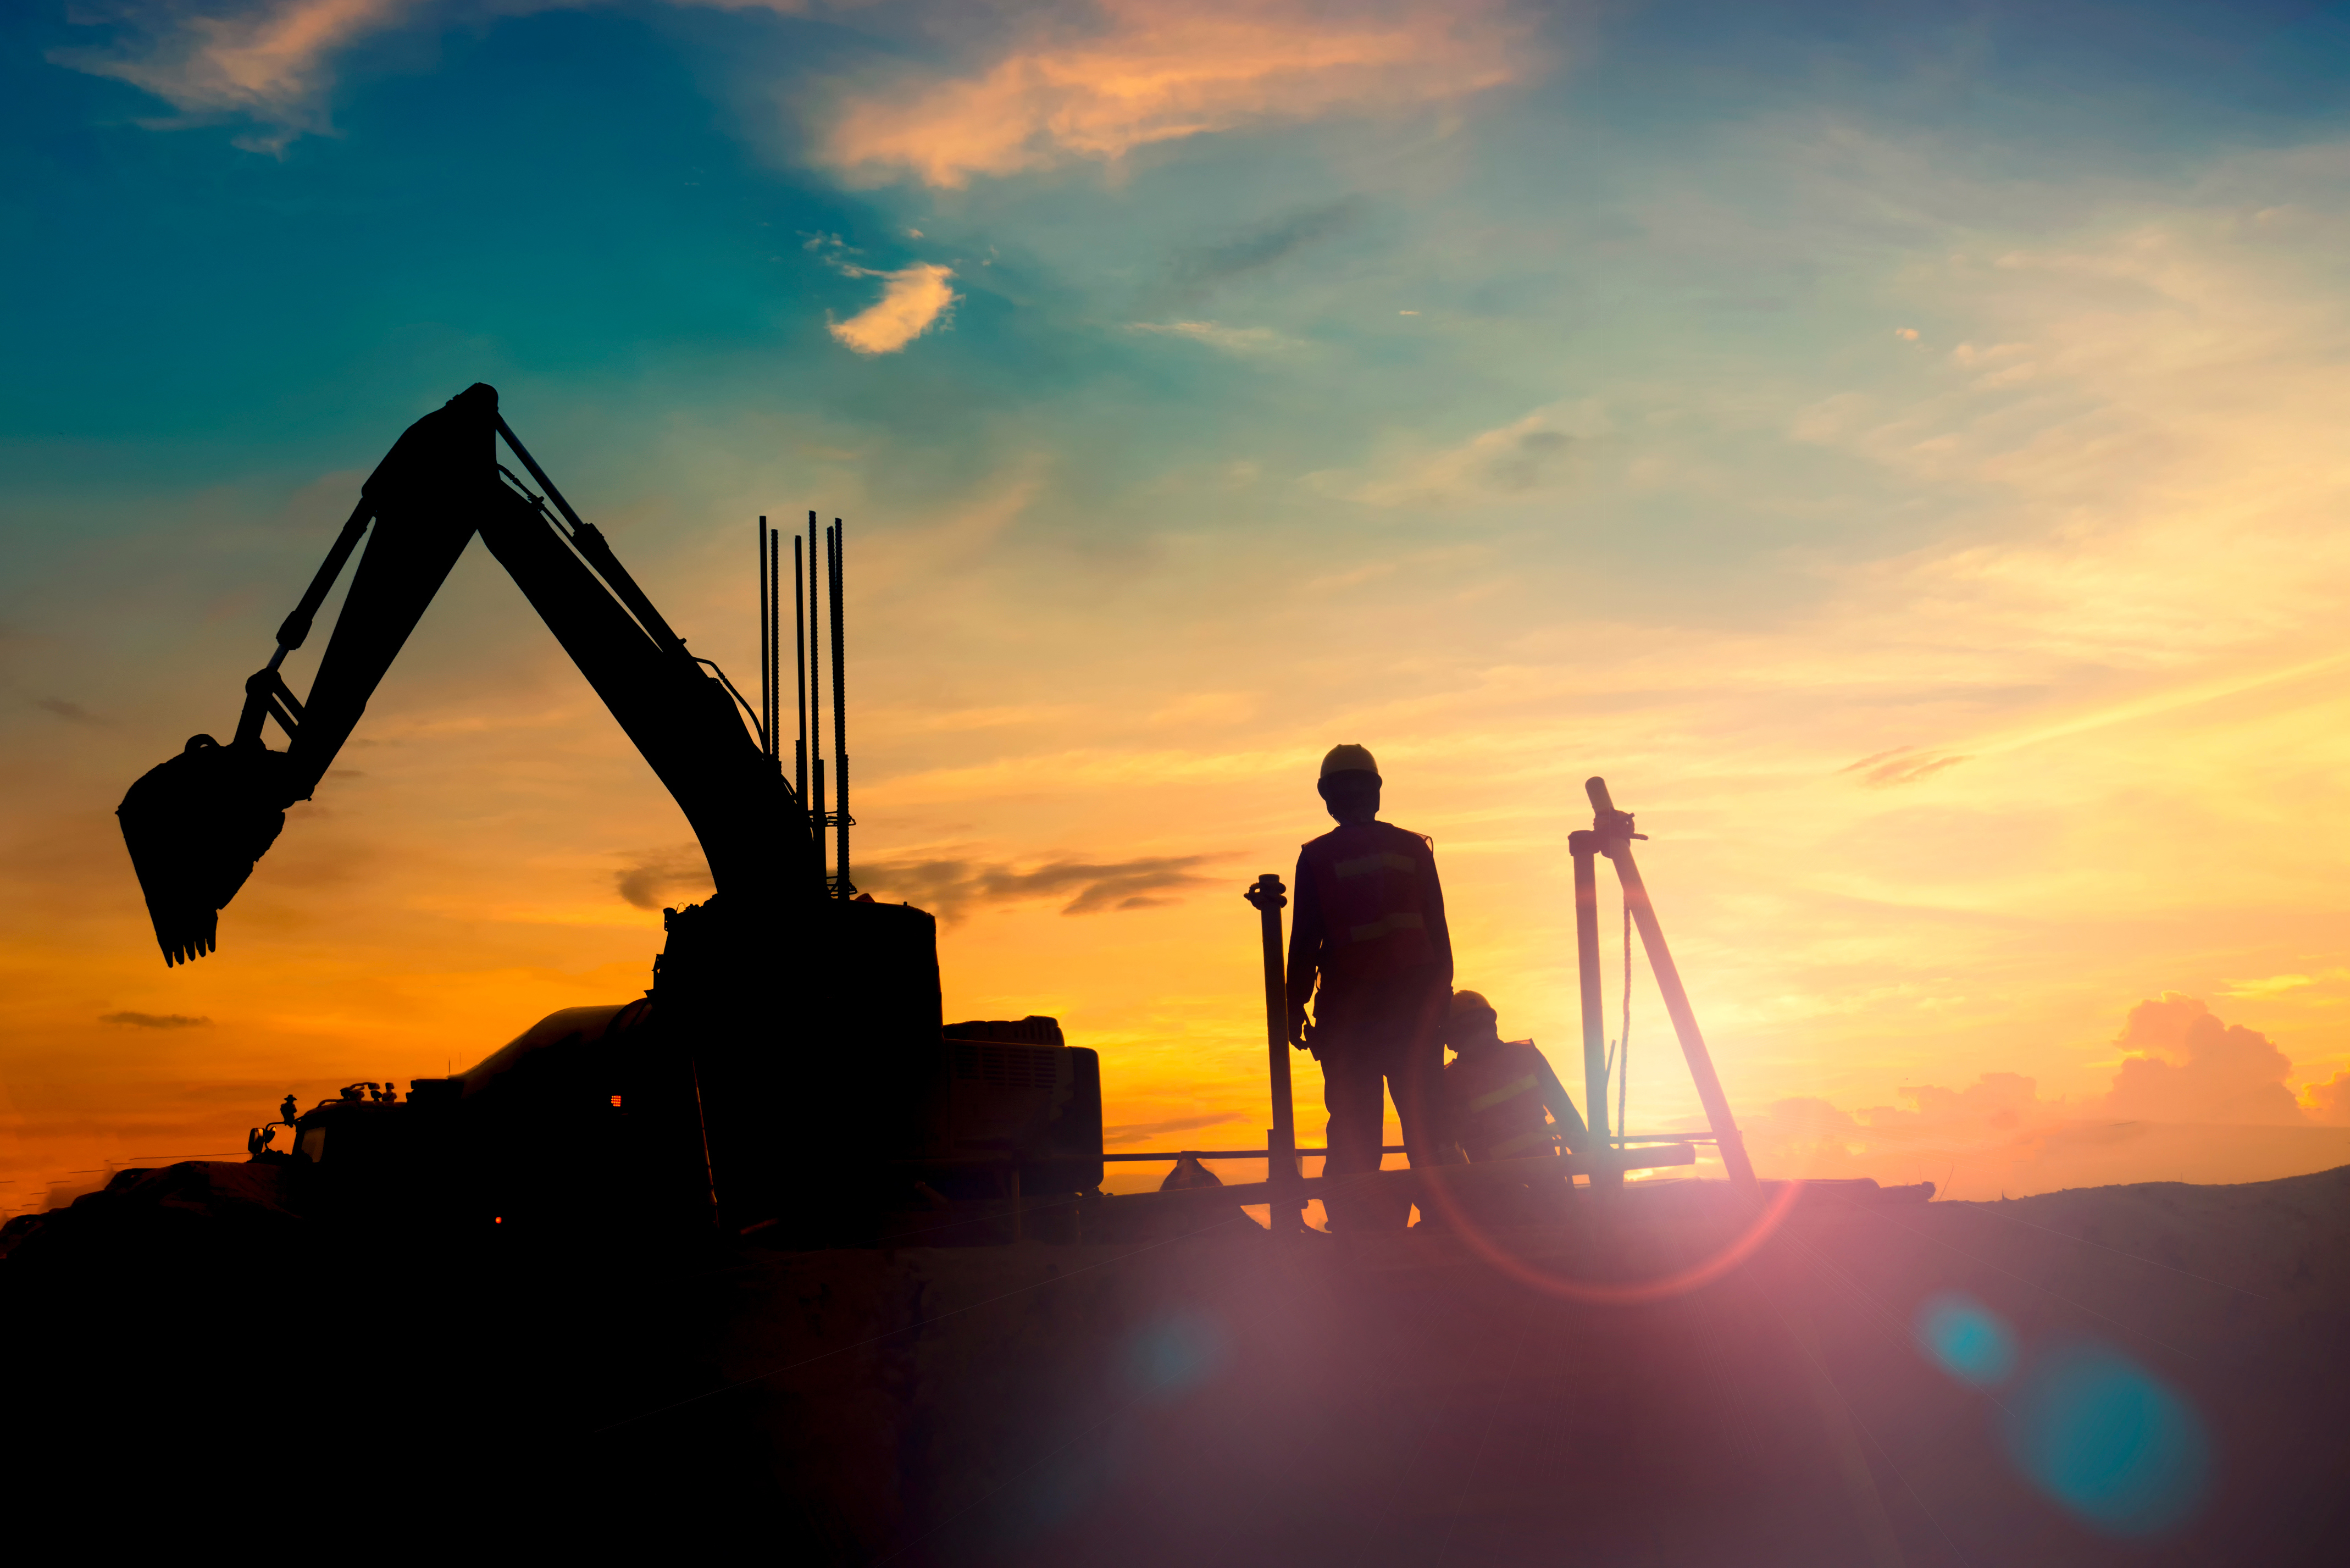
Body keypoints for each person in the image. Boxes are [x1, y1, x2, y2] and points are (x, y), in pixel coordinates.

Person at [1285, 744, 1455, 1231]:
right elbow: (1438, 933)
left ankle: (1357, 1227)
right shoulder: (1411, 849)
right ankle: (1444, 1220)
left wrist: (1293, 1005)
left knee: (1356, 1133)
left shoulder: (1317, 857)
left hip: (1351, 1022)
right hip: (1412, 1016)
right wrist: (1440, 1001)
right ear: (1376, 791)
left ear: (1327, 798)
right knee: (1427, 1122)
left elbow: (1304, 940)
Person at [1440, 989, 1587, 1225]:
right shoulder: (1527, 1057)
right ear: (1492, 1023)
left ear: (1452, 1037)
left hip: (1495, 1198)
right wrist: (1595, 1161)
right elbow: (1567, 1115)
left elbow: (1447, 1147)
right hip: (1548, 1183)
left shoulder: (1450, 1081)